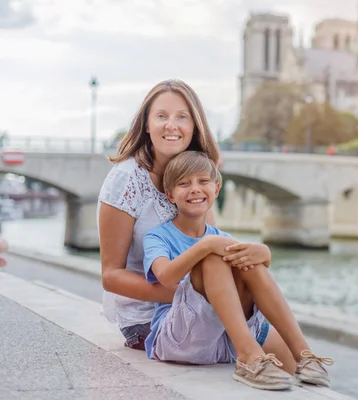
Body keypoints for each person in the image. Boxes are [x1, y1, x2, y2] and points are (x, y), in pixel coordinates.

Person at [143, 151, 333, 391]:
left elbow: (249, 280)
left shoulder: (222, 239)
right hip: (180, 338)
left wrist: (265, 253)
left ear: (216, 189)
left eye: (203, 181)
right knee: (213, 258)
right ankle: (249, 357)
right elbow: (166, 277)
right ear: (170, 195)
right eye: (184, 183)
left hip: (224, 337)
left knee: (246, 257)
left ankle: (304, 355)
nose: (195, 189)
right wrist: (206, 246)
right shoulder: (158, 236)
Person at [97, 79, 222, 350]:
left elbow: (209, 249)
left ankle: (303, 360)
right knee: (254, 334)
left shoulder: (196, 178)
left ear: (194, 126)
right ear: (146, 125)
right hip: (146, 319)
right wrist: (189, 298)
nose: (171, 125)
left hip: (196, 302)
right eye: (162, 116)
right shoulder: (127, 179)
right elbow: (111, 275)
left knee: (263, 327)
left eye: (182, 117)